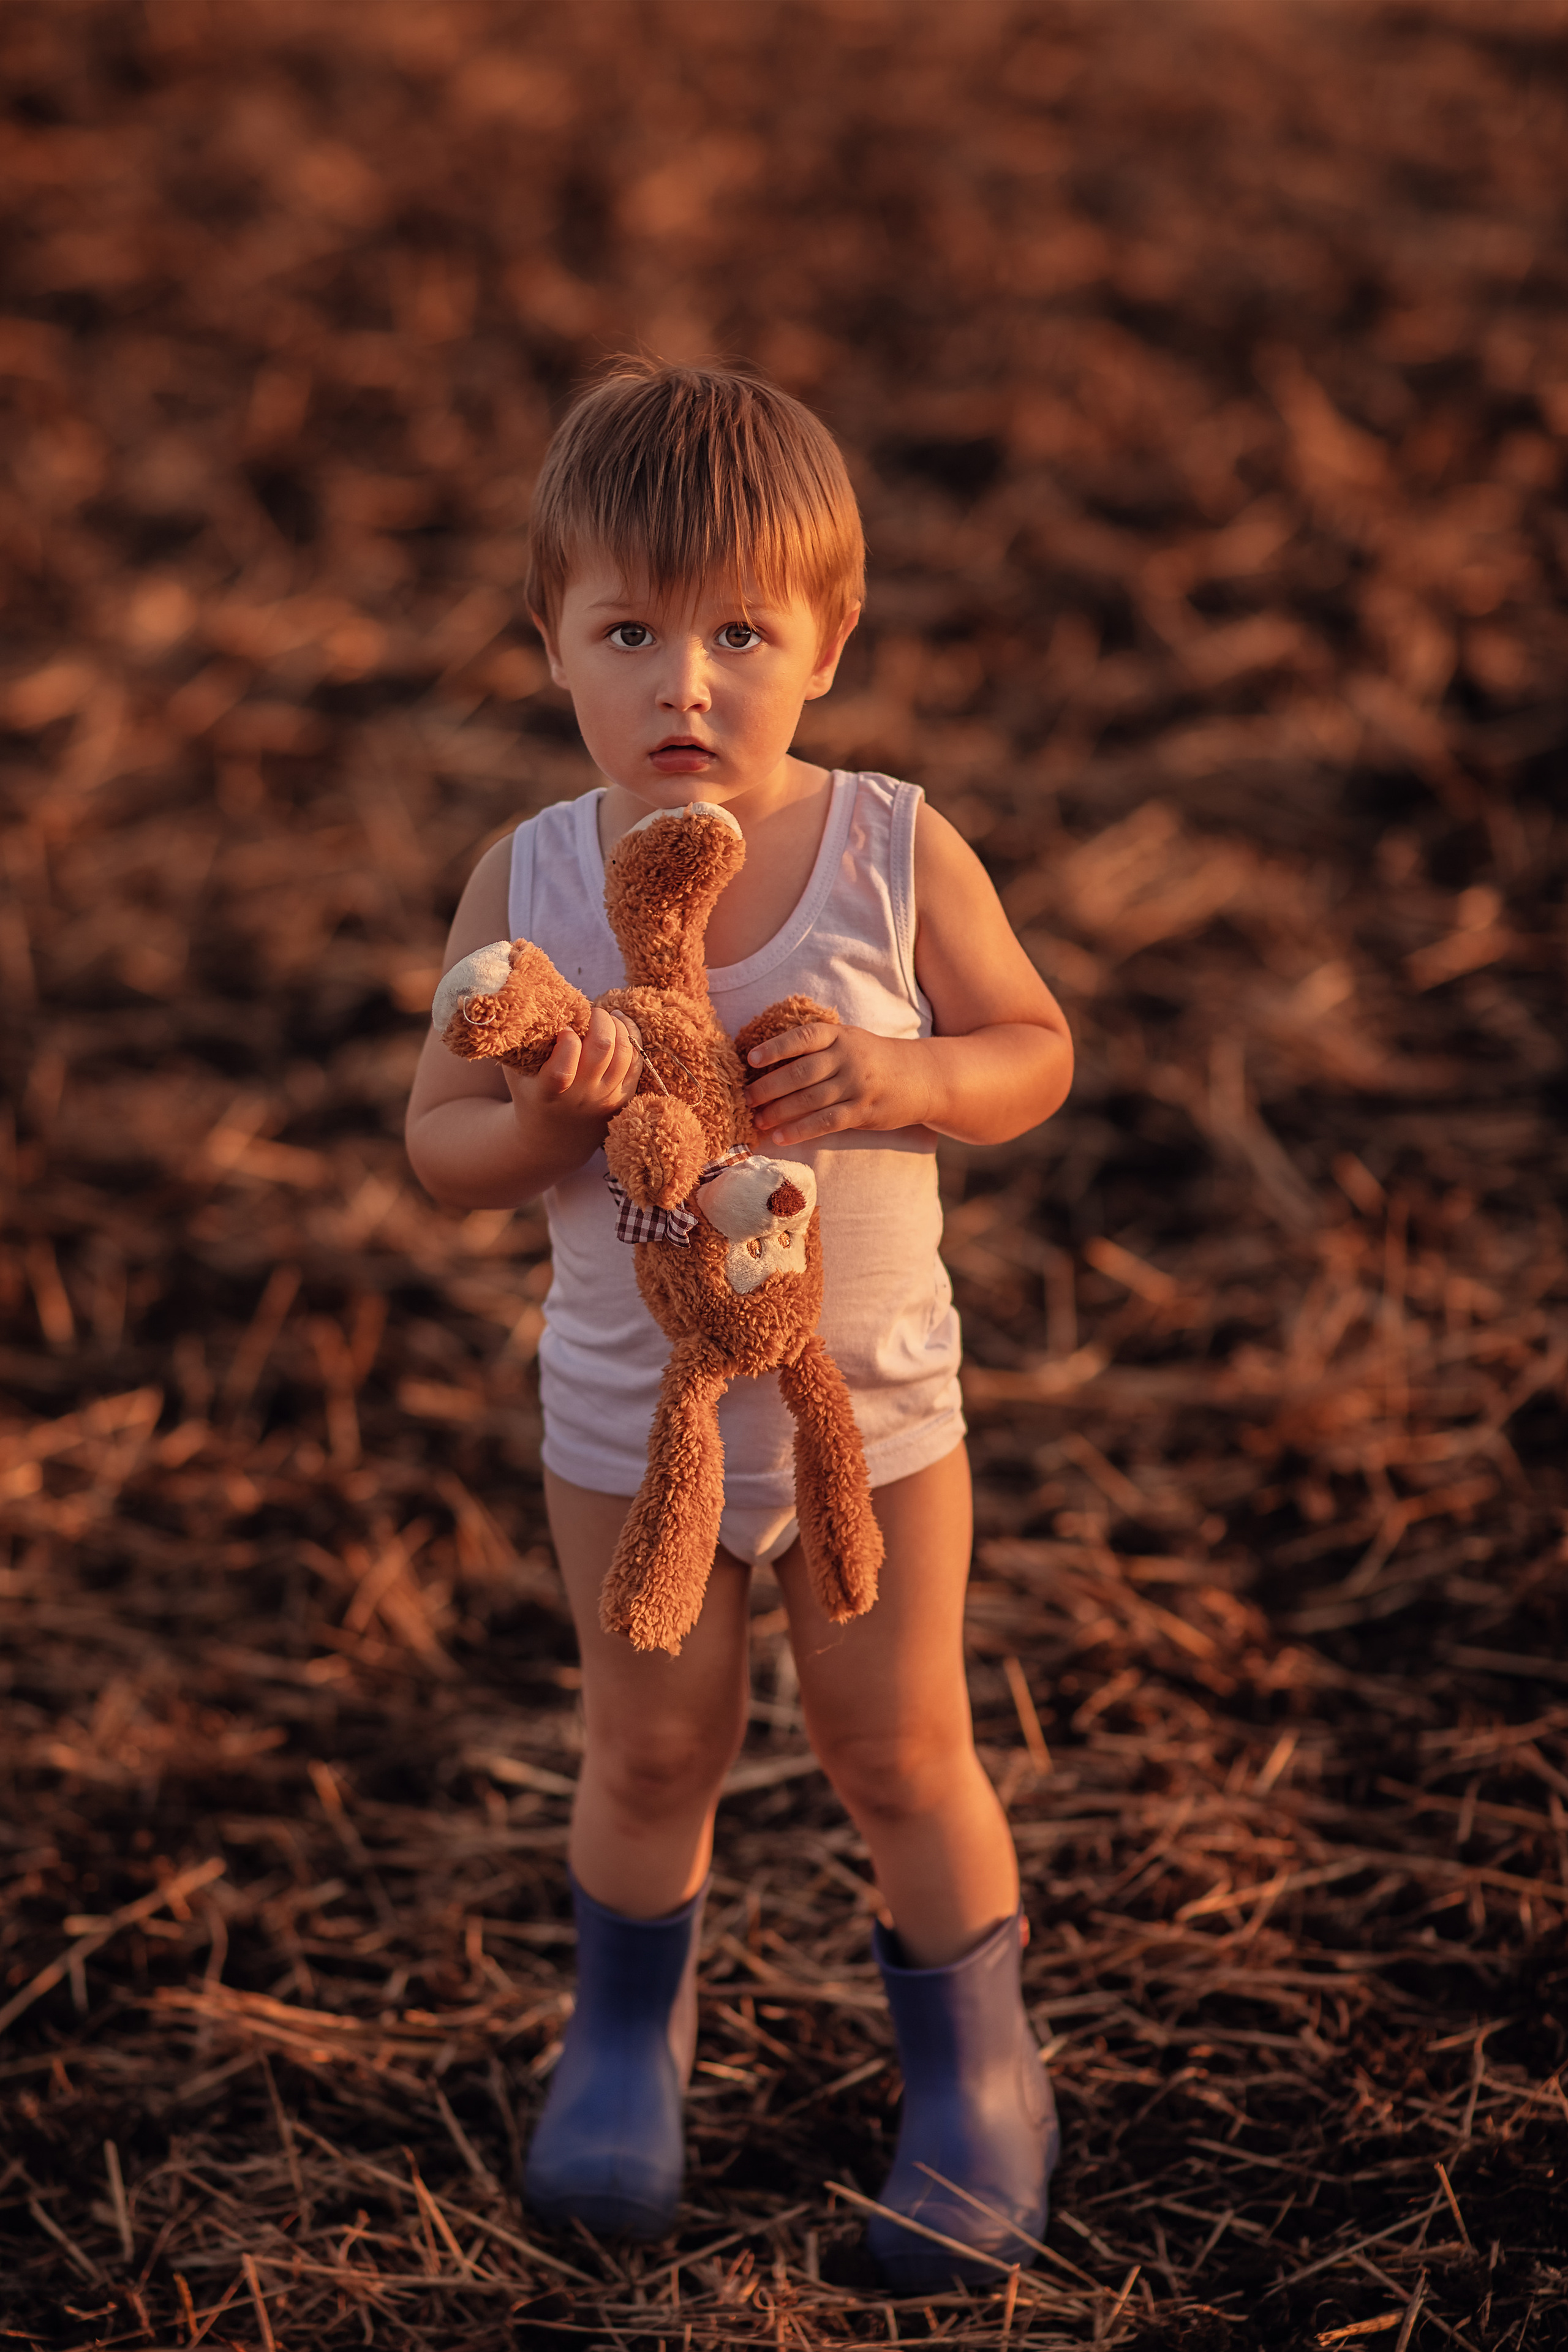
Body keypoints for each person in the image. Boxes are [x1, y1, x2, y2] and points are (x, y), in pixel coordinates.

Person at [405, 363, 1073, 2289]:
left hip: (880, 1418)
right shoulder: (532, 883)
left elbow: (1035, 1050)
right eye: (629, 633)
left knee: (900, 1746)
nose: (683, 684)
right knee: (648, 1752)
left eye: (740, 635)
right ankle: (626, 2043)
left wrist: (907, 1077)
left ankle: (979, 2074)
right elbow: (440, 1144)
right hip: (630, 1434)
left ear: (829, 645)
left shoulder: (891, 851)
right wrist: (546, 1117)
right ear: (552, 644)